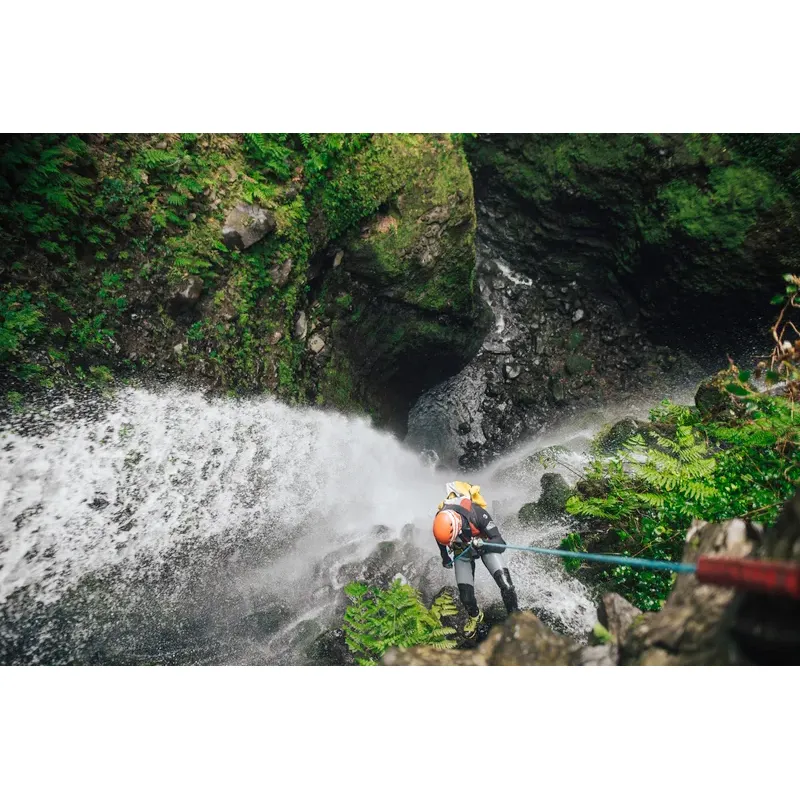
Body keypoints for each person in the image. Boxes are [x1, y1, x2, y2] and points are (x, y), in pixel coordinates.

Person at [432, 482, 519, 638]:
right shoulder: (440, 520)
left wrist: (482, 545)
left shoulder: (477, 514)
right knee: (465, 596)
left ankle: (515, 617)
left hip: (485, 545)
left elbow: (501, 544)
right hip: (462, 552)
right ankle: (475, 616)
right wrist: (445, 557)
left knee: (506, 585)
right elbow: (441, 542)